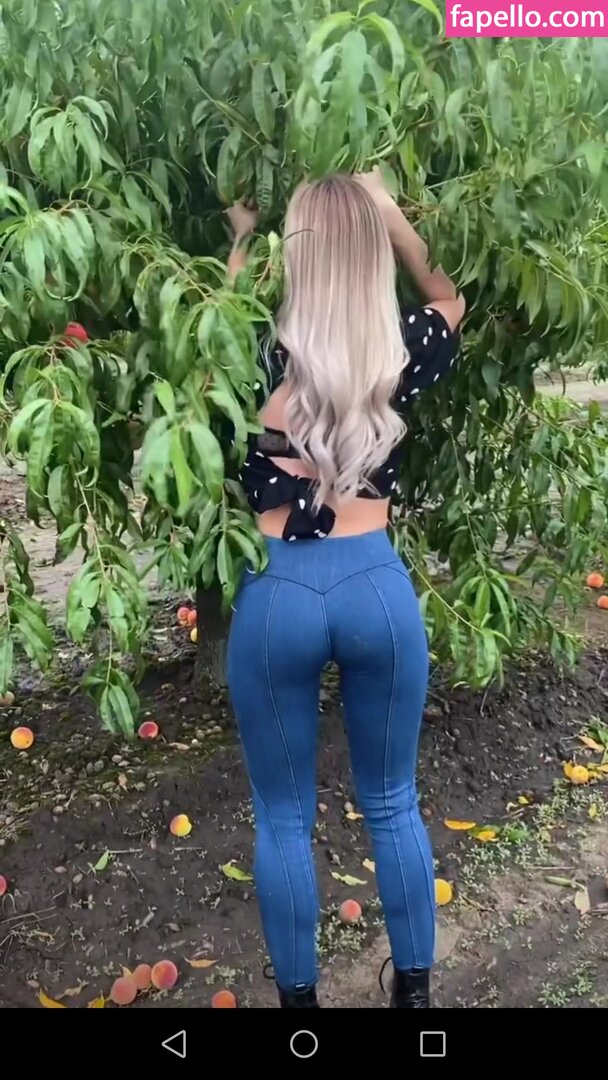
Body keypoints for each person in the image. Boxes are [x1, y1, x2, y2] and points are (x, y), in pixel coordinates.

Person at [225, 170, 465, 1009]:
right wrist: (390, 216)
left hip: (277, 596)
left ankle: (300, 1010)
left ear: (299, 254)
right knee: (393, 803)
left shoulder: (251, 352)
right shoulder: (398, 352)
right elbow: (450, 297)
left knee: (283, 817)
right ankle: (416, 998)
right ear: (367, 256)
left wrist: (242, 238)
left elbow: (211, 323)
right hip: (375, 590)